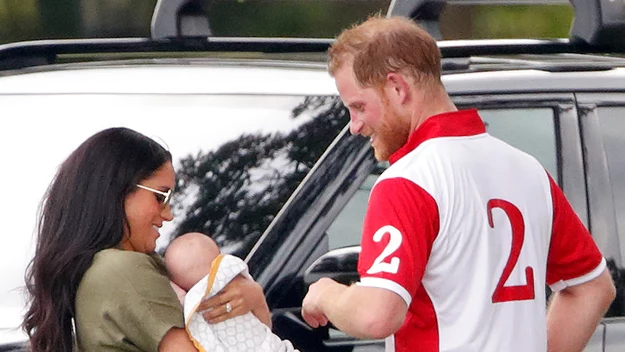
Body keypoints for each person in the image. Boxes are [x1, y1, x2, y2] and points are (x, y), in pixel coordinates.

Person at [301, 15, 617, 352]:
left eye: (358, 107)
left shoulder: (407, 180)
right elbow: (592, 288)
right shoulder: (528, 170)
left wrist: (327, 293)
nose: (355, 125)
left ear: (397, 87)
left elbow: (376, 315)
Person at [22, 127, 270, 352]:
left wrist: (254, 297)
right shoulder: (123, 268)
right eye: (160, 197)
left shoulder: (95, 270)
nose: (168, 214)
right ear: (116, 191)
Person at [164, 232, 298, 352]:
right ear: (219, 260)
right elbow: (264, 329)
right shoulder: (234, 275)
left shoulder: (190, 310)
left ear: (178, 285)